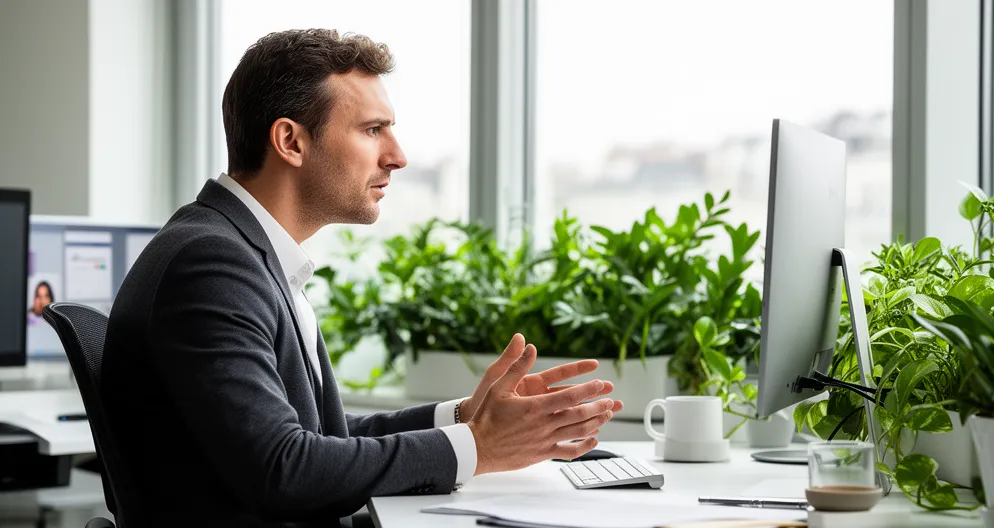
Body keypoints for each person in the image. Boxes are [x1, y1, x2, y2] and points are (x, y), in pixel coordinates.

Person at [102, 29, 623, 527]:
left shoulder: (239, 250)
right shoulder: (211, 265)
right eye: (373, 130)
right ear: (291, 141)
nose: (397, 156)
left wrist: (466, 418)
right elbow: (285, 470)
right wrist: (479, 448)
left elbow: (323, 438)